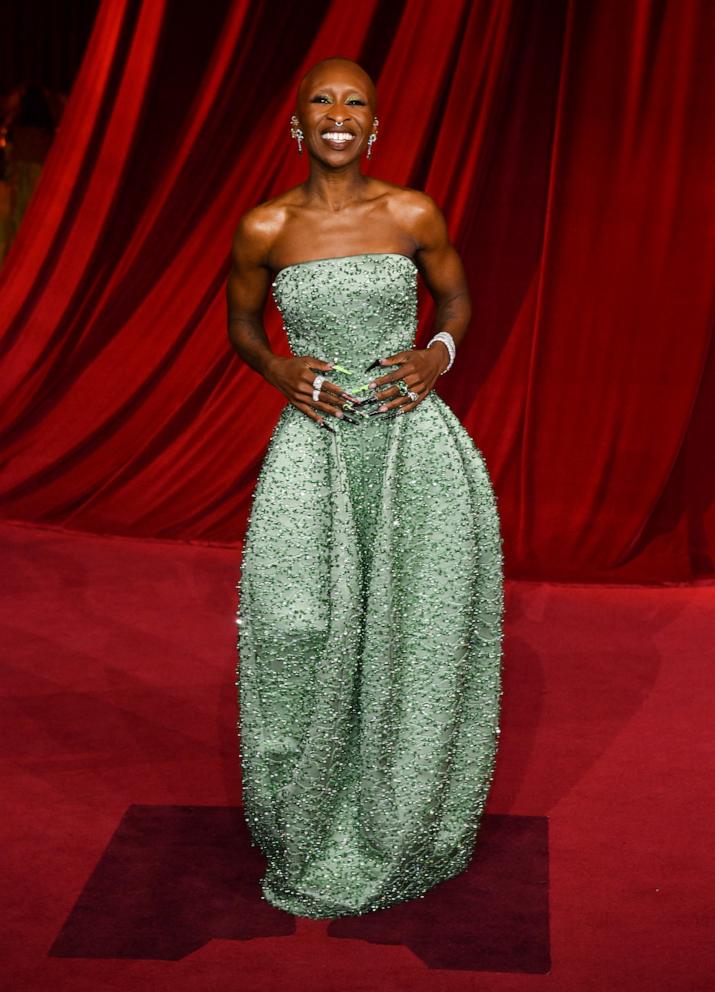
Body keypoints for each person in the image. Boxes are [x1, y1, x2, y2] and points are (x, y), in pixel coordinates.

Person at [227, 56, 504, 919]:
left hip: (411, 455)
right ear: (296, 124)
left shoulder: (412, 211)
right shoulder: (264, 227)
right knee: (298, 629)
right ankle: (306, 817)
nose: (338, 114)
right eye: (321, 99)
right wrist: (277, 365)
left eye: (355, 102)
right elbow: (239, 323)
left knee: (413, 632)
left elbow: (456, 304)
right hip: (313, 451)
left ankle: (408, 815)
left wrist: (436, 354)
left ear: (375, 125)